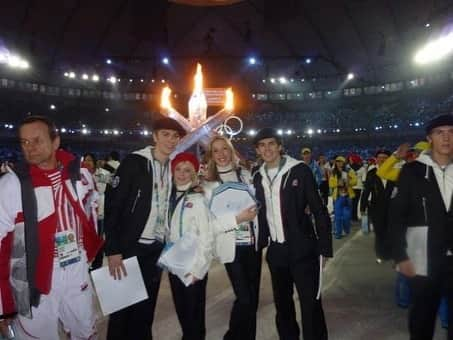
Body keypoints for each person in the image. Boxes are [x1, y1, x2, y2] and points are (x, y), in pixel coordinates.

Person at [0, 115, 103, 340]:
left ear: (55, 142)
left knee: (85, 330)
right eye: (24, 142)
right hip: (30, 275)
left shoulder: (81, 175)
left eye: (37, 140)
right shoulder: (11, 185)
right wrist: (3, 303)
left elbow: (91, 213)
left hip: (75, 264)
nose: (30, 148)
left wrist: (88, 253)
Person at [104, 117, 186, 340]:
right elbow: (113, 206)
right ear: (155, 136)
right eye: (166, 134)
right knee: (122, 309)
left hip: (155, 248)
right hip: (130, 246)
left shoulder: (172, 167)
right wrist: (112, 250)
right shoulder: (135, 162)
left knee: (146, 308)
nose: (171, 140)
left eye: (175, 136)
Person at [253, 128, 332, 340]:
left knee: (310, 303)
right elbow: (260, 213)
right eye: (262, 145)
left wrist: (324, 248)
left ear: (280, 146)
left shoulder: (299, 170)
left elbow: (318, 209)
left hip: (303, 248)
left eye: (271, 144)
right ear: (258, 150)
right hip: (277, 251)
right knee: (283, 305)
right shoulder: (257, 176)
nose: (267, 149)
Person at [390, 114, 453, 339]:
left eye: (451, 132)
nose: (447, 138)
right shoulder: (412, 171)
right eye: (440, 133)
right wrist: (400, 256)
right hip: (424, 259)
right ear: (430, 138)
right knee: (421, 322)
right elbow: (396, 216)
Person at [202, 136, 260, 340]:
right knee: (244, 298)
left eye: (224, 149)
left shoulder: (245, 174)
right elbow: (210, 226)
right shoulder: (208, 185)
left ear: (231, 150)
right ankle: (232, 336)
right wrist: (237, 218)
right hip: (231, 247)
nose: (221, 154)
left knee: (253, 299)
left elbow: (256, 203)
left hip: (253, 245)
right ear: (211, 156)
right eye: (216, 151)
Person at [166, 152, 214, 340]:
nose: (182, 174)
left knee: (194, 314)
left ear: (194, 172)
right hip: (174, 261)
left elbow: (207, 236)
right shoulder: (166, 195)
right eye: (178, 169)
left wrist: (198, 269)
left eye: (187, 170)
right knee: (182, 310)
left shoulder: (198, 197)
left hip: (193, 264)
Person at [360, 150, 394, 262]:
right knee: (379, 232)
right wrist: (363, 208)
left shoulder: (395, 172)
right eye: (380, 157)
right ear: (376, 159)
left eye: (385, 157)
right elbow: (366, 191)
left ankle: (390, 253)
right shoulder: (372, 173)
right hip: (376, 208)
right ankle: (380, 254)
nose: (382, 159)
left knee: (390, 232)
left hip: (392, 208)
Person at [329, 156, 357, 239]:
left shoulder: (349, 170)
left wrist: (349, 182)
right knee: (337, 216)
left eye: (341, 161)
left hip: (348, 196)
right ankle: (338, 233)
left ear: (344, 162)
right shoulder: (333, 172)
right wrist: (337, 183)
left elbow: (355, 181)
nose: (339, 163)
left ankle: (346, 229)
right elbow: (330, 184)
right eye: (337, 161)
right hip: (338, 197)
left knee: (346, 216)